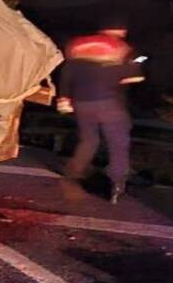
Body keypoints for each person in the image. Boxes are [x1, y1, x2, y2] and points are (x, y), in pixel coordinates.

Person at [57, 21, 145, 203]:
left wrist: (64, 97)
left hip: (82, 102)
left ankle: (74, 173)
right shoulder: (121, 48)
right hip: (109, 103)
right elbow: (135, 76)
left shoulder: (78, 45)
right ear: (119, 30)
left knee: (89, 139)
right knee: (118, 142)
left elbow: (67, 72)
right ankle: (117, 183)